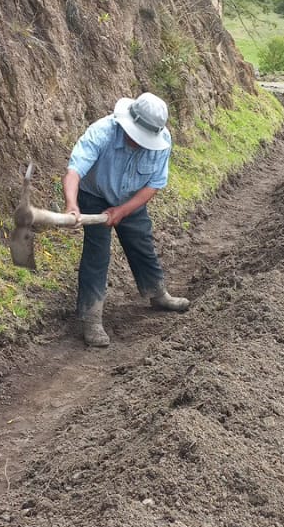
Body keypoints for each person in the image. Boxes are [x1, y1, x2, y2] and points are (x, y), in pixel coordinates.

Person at [63, 92, 189, 348]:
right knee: (97, 254)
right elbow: (74, 171)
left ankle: (157, 293)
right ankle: (91, 317)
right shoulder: (102, 132)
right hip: (94, 195)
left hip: (131, 198)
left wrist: (122, 210)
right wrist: (72, 205)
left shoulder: (162, 142)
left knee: (142, 243)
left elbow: (153, 185)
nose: (140, 143)